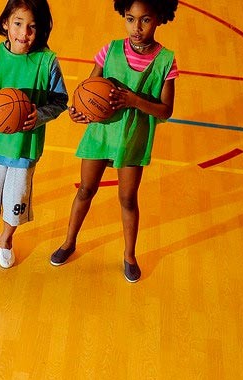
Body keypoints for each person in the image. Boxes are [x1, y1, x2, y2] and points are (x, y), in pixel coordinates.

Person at [50, 0, 178, 282]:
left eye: (145, 20)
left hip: (132, 137)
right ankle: (69, 242)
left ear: (159, 18)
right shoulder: (110, 49)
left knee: (128, 198)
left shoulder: (166, 60)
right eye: (130, 19)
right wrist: (78, 111)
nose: (136, 27)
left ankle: (129, 255)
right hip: (101, 132)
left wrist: (133, 100)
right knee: (85, 189)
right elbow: (86, 90)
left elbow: (166, 111)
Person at [0, 0, 67, 268]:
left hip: (24, 149)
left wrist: (40, 116)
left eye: (32, 27)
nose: (24, 33)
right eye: (18, 24)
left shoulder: (47, 62)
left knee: (16, 201)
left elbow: (60, 100)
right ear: (5, 24)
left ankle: (6, 239)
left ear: (42, 30)